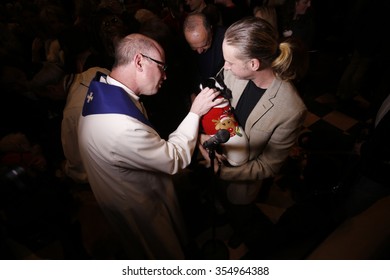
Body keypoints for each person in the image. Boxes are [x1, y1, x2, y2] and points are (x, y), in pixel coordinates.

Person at [77, 33, 223, 259]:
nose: (165, 75)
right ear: (139, 61)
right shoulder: (120, 126)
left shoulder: (104, 88)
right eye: (162, 67)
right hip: (140, 206)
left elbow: (144, 138)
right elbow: (174, 158)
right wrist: (195, 112)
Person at [198, 16, 307, 246]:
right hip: (216, 162)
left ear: (253, 64)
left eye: (230, 61)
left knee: (240, 212)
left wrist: (222, 172)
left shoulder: (291, 109)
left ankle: (240, 229)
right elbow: (220, 113)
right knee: (220, 200)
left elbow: (268, 165)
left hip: (243, 181)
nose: (224, 66)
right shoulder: (231, 74)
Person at [61, 67, 111, 184]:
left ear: (51, 90)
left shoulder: (71, 114)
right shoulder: (96, 70)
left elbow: (76, 163)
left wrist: (67, 170)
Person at [183, 12, 226, 91]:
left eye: (204, 45)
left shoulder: (226, 41)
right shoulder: (182, 46)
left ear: (211, 31)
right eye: (194, 48)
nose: (199, 52)